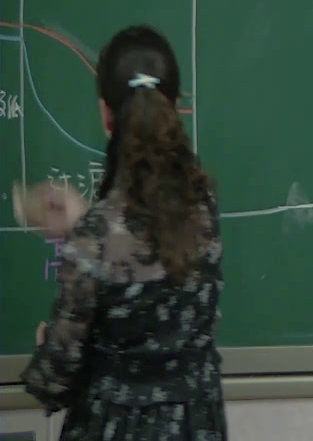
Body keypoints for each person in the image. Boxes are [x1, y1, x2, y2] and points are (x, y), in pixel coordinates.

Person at [19, 24, 227, 440]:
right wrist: (84, 223)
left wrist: (46, 346)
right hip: (197, 425)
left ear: (106, 115)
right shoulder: (203, 208)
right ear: (174, 107)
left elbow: (52, 382)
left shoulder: (94, 239)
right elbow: (148, 241)